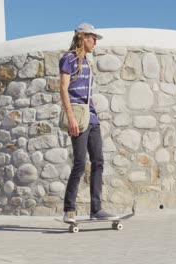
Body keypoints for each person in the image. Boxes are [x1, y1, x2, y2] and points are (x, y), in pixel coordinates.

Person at [59, 23, 119, 223]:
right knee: (79, 163)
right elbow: (63, 88)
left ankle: (96, 209)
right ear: (83, 37)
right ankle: (69, 209)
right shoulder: (68, 59)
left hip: (92, 117)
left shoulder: (88, 63)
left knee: (98, 161)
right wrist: (71, 117)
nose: (95, 42)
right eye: (92, 38)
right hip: (77, 116)